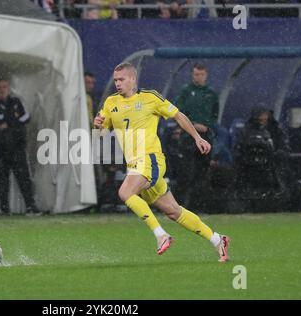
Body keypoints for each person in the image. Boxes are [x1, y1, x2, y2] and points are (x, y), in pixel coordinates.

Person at [93, 62, 230, 262]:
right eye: (115, 80)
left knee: (124, 192)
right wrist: (97, 125)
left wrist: (197, 137)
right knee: (173, 211)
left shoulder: (150, 97)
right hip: (135, 166)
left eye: (121, 79)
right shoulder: (110, 102)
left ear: (133, 79)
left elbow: (178, 116)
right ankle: (218, 239)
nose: (118, 84)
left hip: (151, 160)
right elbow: (101, 131)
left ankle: (161, 235)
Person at [0, 79, 40, 215]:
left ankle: (30, 206)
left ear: (8, 88)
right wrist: (14, 120)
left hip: (17, 145)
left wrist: (7, 123)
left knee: (24, 177)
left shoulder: (16, 101)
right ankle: (4, 208)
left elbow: (26, 117)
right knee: (2, 179)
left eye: (4, 87)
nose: (2, 90)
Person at [173, 63, 219, 207]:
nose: (197, 77)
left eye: (200, 74)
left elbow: (214, 115)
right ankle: (184, 205)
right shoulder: (186, 91)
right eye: (195, 74)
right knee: (187, 172)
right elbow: (176, 112)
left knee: (203, 172)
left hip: (205, 137)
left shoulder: (211, 93)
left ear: (206, 75)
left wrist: (207, 126)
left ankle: (201, 204)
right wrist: (192, 124)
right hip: (188, 138)